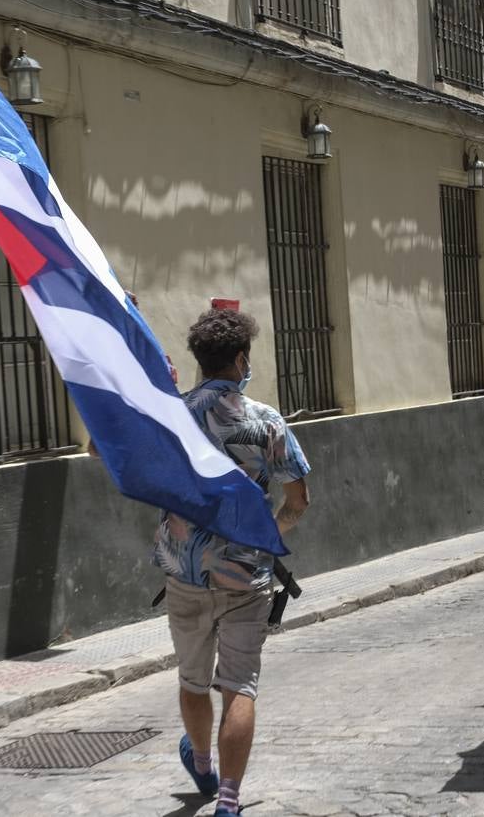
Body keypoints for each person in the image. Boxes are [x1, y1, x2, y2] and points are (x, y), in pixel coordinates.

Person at [152, 308, 310, 817]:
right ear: (241, 359)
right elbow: (298, 500)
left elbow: (109, 450)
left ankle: (201, 761)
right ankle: (229, 799)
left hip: (185, 572)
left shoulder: (170, 415)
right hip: (246, 575)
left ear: (200, 361)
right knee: (239, 685)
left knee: (193, 680)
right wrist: (267, 534)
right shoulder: (265, 420)